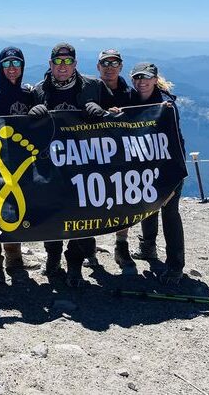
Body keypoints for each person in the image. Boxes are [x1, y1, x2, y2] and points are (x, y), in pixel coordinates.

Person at [29, 42, 106, 287]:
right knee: (53, 213)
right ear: (50, 65)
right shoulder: (39, 90)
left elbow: (121, 108)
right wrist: (33, 113)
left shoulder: (94, 86)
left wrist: (101, 110)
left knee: (82, 217)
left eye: (67, 62)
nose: (63, 67)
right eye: (58, 62)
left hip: (85, 164)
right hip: (53, 166)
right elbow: (29, 127)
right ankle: (52, 259)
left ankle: (74, 265)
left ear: (74, 64)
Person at [0, 47, 41, 284]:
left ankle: (14, 259)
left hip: (21, 164)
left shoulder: (29, 94)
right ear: (0, 66)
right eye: (6, 64)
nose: (12, 68)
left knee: (15, 210)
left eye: (16, 63)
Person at [129, 62, 186, 285]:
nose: (141, 82)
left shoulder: (166, 104)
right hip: (144, 166)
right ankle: (148, 248)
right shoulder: (131, 99)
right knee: (147, 208)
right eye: (137, 78)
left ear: (155, 79)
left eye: (146, 78)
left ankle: (175, 266)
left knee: (170, 212)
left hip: (169, 167)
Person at [84, 49, 137, 273]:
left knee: (124, 200)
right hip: (94, 154)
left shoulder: (129, 92)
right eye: (105, 63)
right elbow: (82, 107)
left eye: (114, 63)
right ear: (98, 66)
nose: (109, 66)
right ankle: (89, 247)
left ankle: (121, 245)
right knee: (92, 199)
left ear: (121, 66)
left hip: (123, 155)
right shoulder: (91, 87)